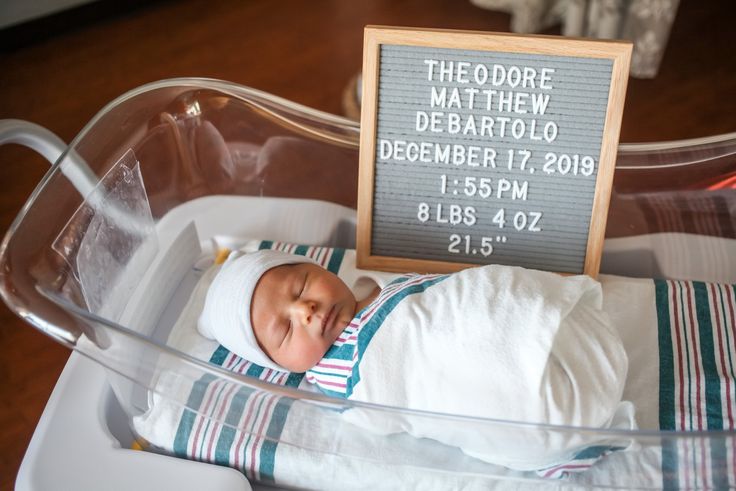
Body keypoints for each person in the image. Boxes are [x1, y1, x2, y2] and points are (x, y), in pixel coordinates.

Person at [198, 249, 635, 470]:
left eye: (302, 285)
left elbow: (449, 300)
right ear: (281, 366)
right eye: (286, 330)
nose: (306, 310)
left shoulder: (374, 288)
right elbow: (392, 404)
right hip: (531, 397)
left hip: (551, 331)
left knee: (502, 299)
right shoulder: (342, 378)